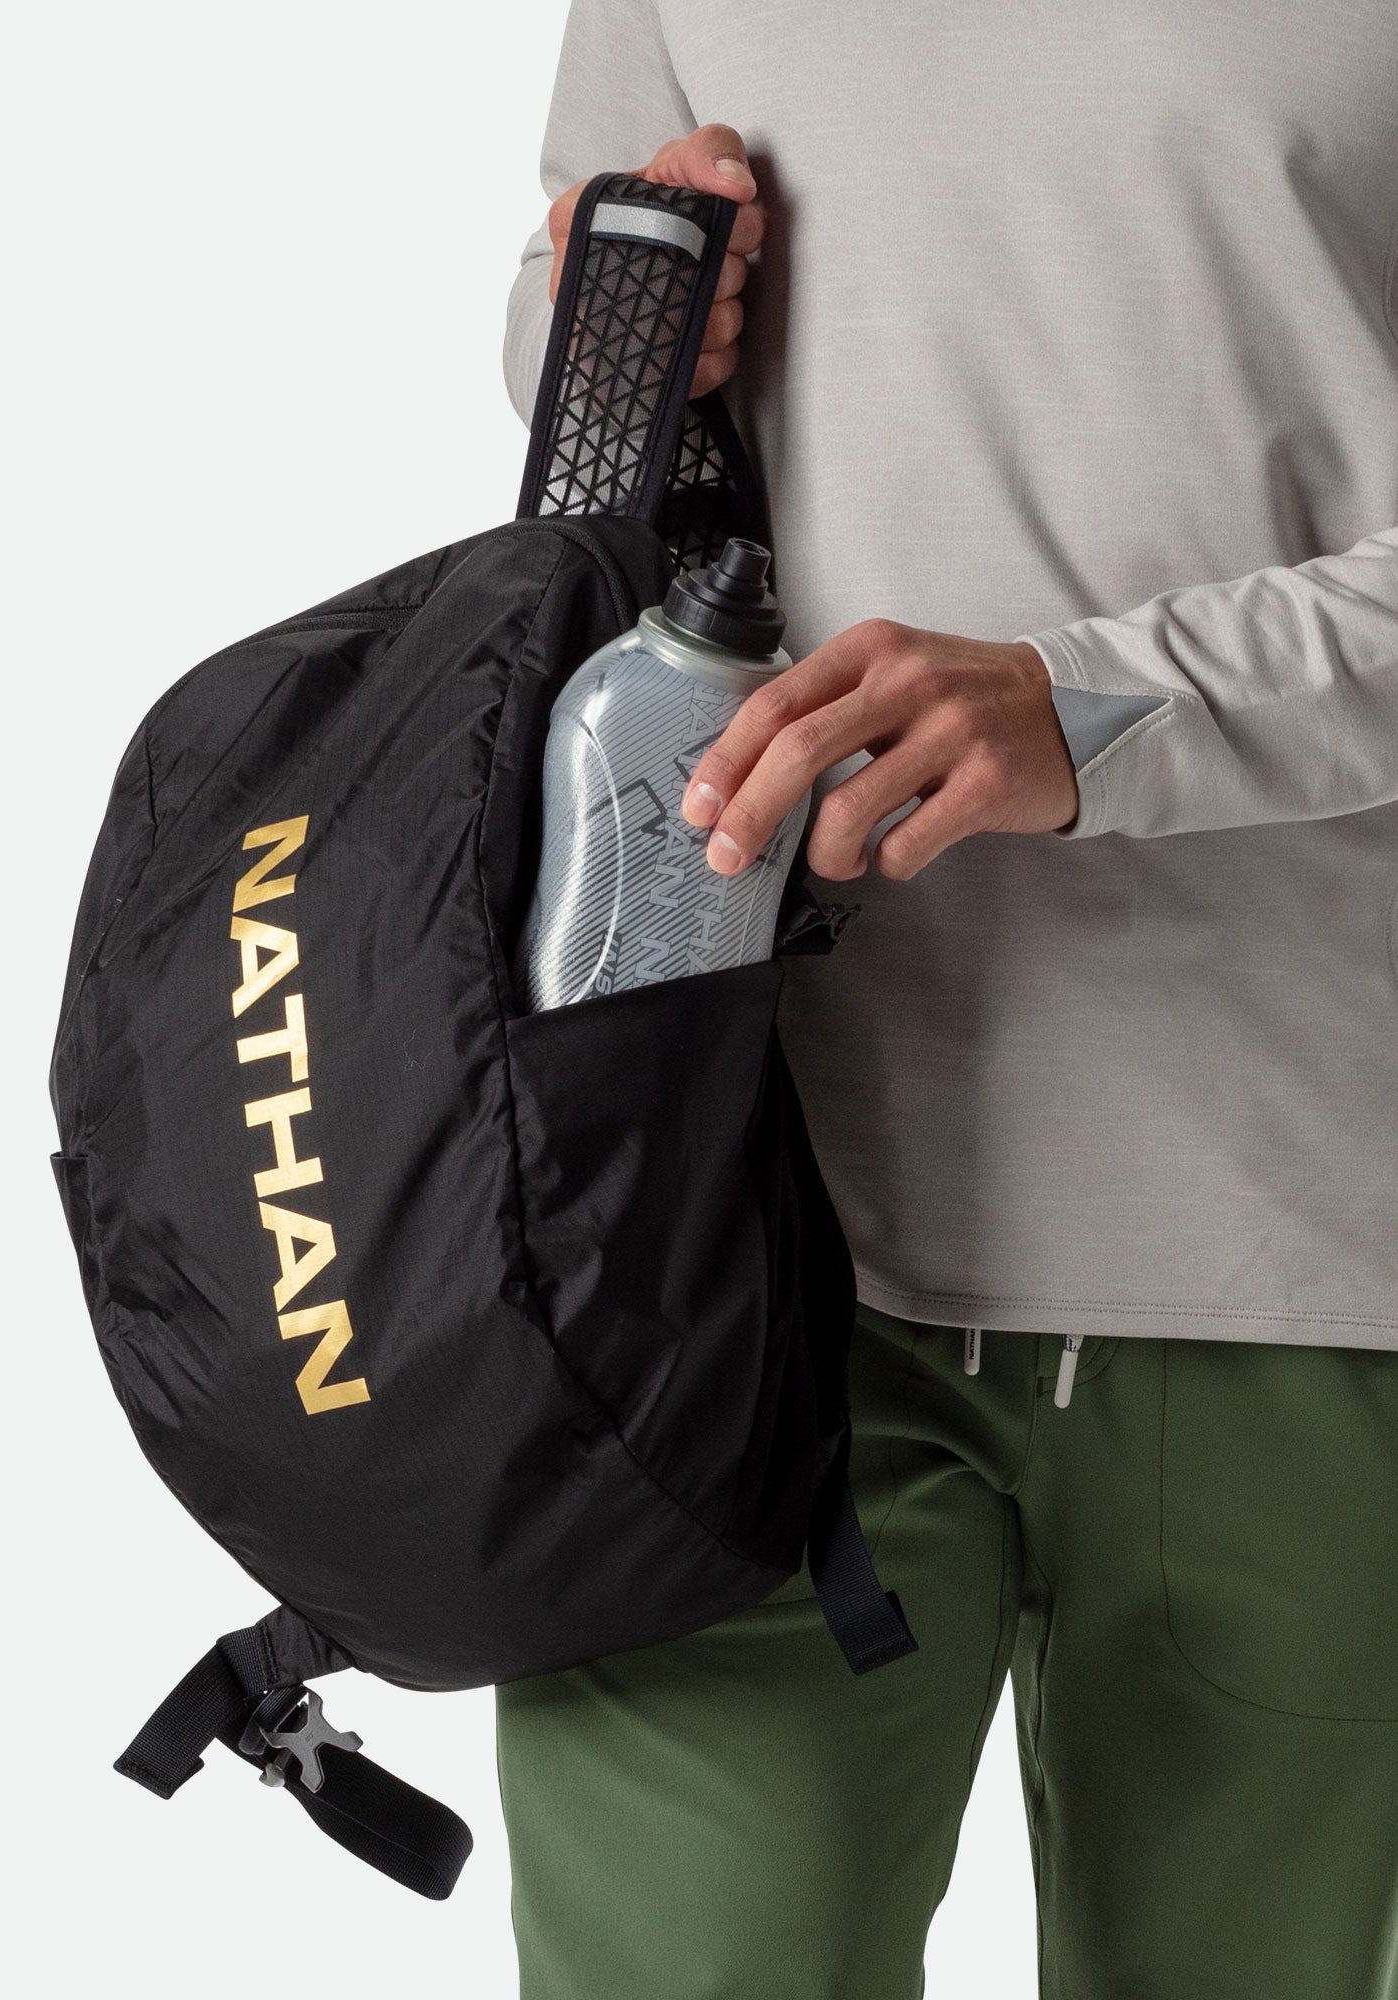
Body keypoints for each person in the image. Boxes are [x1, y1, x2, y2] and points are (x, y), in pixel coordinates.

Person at [497, 6, 1398, 1996]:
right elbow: (577, 404)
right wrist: (621, 330)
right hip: (715, 1234)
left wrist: (1094, 703)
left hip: (1296, 1244)